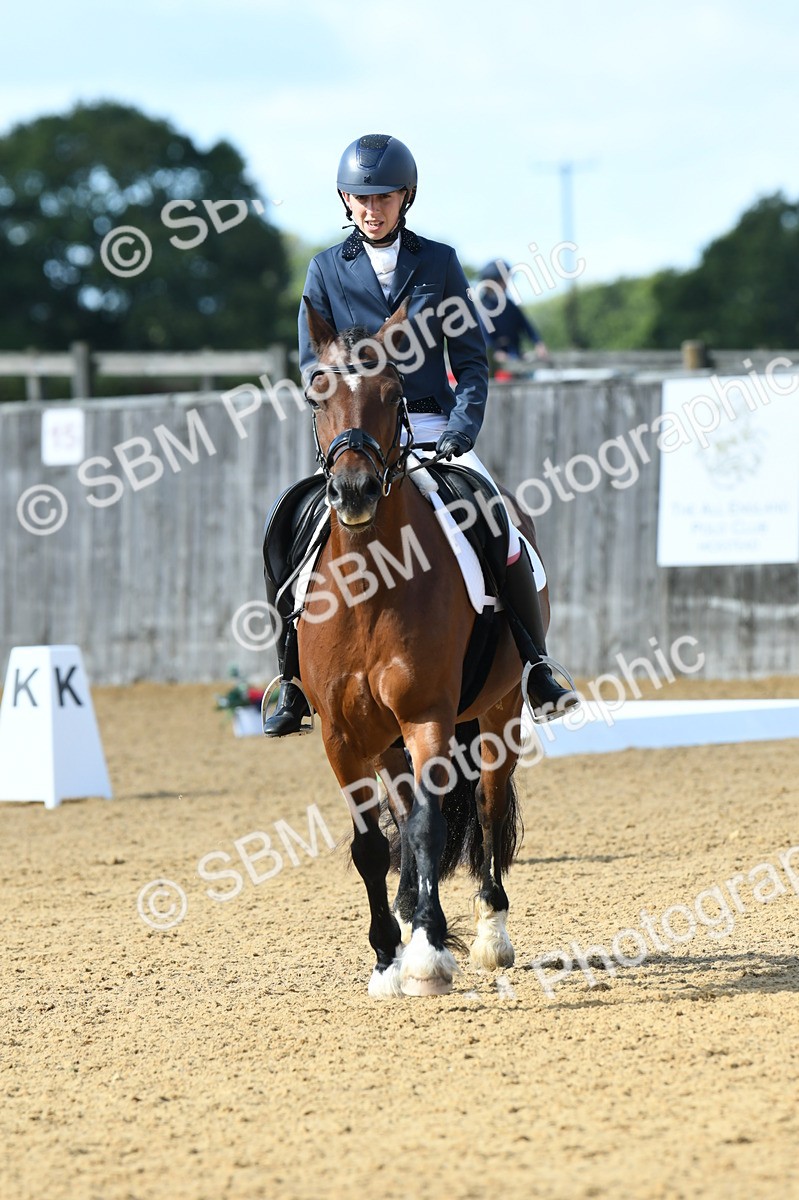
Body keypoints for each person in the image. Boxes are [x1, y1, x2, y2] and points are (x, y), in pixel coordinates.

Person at [264, 133, 577, 736]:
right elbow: (312, 364)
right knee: (288, 525)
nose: (371, 208)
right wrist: (343, 419)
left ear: (405, 198)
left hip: (433, 426)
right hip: (359, 432)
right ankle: (290, 679)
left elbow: (473, 359)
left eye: (384, 197)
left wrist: (461, 429)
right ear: (345, 201)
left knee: (500, 521)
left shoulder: (438, 262)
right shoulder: (326, 269)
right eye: (360, 198)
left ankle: (536, 665)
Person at [478, 259, 551, 365]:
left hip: (514, 355)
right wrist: (495, 351)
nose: (506, 284)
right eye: (503, 280)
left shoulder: (509, 305)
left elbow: (526, 325)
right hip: (493, 363)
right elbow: (484, 337)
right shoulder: (482, 307)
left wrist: (538, 343)